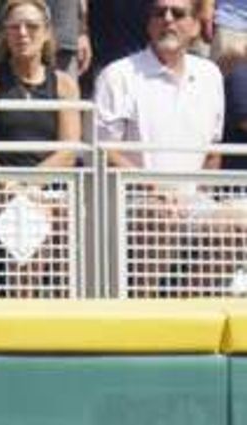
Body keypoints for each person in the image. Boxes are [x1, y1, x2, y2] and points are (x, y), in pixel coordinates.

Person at [96, 0, 227, 293]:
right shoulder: (118, 75)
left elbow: (212, 150)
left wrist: (201, 196)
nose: (167, 19)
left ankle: (188, 310)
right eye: (158, 13)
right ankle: (146, 311)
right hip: (131, 200)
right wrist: (155, 188)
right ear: (148, 24)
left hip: (192, 202)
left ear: (195, 26)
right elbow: (105, 151)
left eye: (178, 13)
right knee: (160, 216)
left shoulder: (210, 75)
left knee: (239, 224)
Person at [0, 0, 82, 294]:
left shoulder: (64, 84)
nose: (23, 33)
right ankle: (23, 305)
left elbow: (69, 150)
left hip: (48, 188)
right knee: (30, 214)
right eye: (14, 27)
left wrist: (30, 186)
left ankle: (68, 306)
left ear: (47, 34)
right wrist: (11, 185)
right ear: (5, 34)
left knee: (65, 214)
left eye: (31, 26)